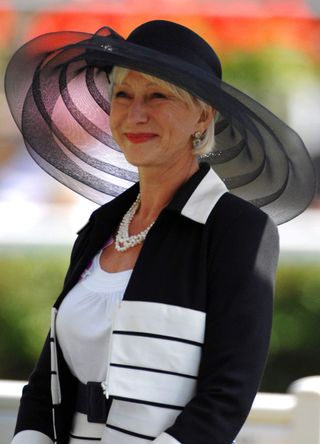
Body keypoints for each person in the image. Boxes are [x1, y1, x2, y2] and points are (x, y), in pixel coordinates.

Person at [5, 20, 315, 444]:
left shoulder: (237, 230)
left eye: (158, 96)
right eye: (123, 95)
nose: (136, 114)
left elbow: (226, 396)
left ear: (203, 115)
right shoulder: (101, 227)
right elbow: (46, 383)